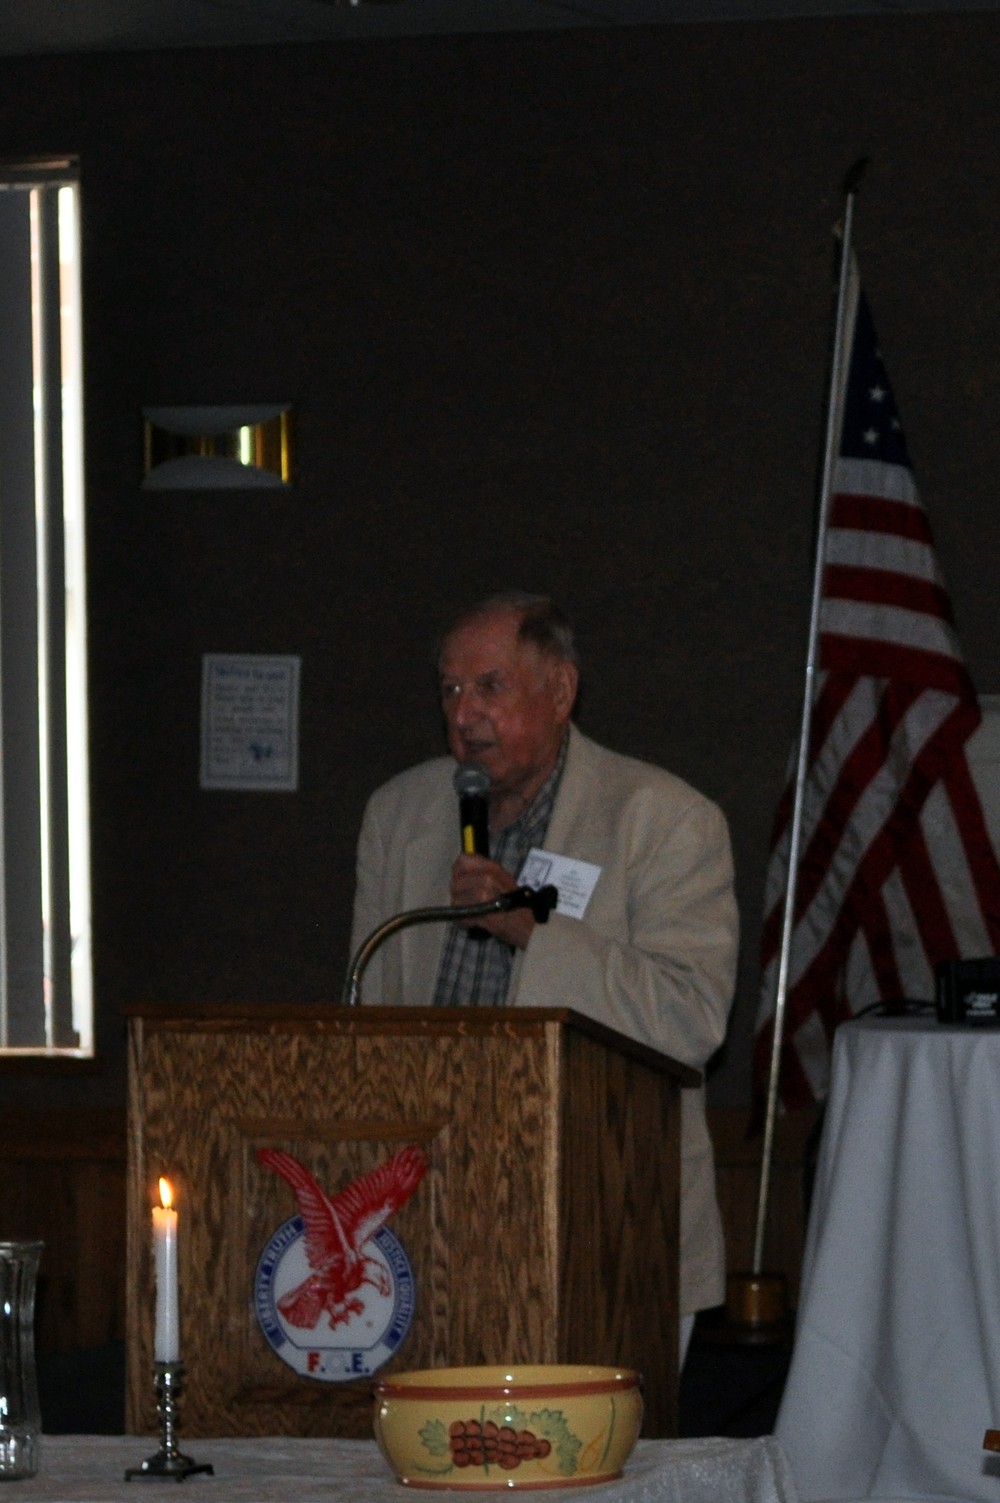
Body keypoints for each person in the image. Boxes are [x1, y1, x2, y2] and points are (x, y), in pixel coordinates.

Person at [350, 591, 739, 1330]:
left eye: (489, 687)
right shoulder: (398, 815)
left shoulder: (663, 820)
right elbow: (364, 1017)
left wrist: (534, 929)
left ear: (560, 691)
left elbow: (690, 1018)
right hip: (426, 1225)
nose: (464, 715)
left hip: (603, 1222)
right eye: (449, 690)